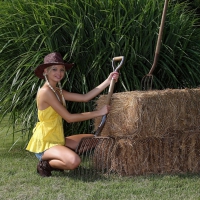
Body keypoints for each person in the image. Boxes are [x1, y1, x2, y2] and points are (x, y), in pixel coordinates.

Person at [26, 52, 119, 177]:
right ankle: (45, 164)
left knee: (94, 140)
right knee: (74, 161)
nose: (59, 73)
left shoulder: (57, 90)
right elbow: (69, 118)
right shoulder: (45, 92)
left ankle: (61, 153)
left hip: (57, 139)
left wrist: (108, 81)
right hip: (44, 143)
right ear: (45, 71)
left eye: (62, 70)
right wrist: (98, 113)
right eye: (54, 69)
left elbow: (85, 97)